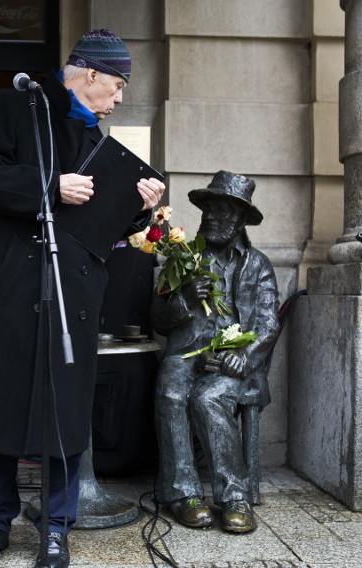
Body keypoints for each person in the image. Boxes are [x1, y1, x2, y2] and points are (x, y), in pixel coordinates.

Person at [0, 29, 165, 568]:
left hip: (70, 290)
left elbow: (98, 226)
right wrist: (51, 184)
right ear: (90, 74)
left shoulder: (95, 138)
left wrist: (139, 209)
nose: (120, 98)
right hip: (7, 290)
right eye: (118, 84)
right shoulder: (12, 105)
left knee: (64, 414)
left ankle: (56, 527)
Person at [150, 171, 280, 534]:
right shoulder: (181, 259)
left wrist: (246, 355)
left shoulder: (257, 265)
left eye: (223, 212)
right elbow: (158, 320)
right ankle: (184, 495)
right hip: (187, 356)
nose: (213, 218)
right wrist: (185, 299)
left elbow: (268, 325)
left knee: (209, 398)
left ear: (240, 220)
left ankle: (234, 496)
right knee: (171, 390)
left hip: (230, 363)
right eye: (209, 211)